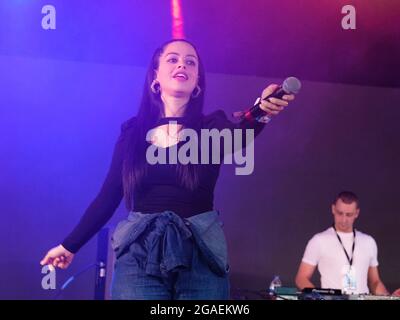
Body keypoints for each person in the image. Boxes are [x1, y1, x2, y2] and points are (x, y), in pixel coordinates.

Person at [40, 39, 295, 299]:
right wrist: (70, 245)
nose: (182, 64)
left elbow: (240, 135)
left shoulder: (211, 126)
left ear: (197, 81)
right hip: (139, 253)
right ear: (155, 76)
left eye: (190, 62)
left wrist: (263, 111)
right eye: (172, 59)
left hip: (200, 253)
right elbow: (108, 196)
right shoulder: (132, 133)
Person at [295, 191, 400, 296]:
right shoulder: (319, 241)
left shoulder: (369, 242)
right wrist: (320, 298)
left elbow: (375, 282)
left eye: (349, 215)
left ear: (357, 213)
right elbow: (301, 278)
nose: (344, 219)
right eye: (340, 213)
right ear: (333, 209)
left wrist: (389, 297)